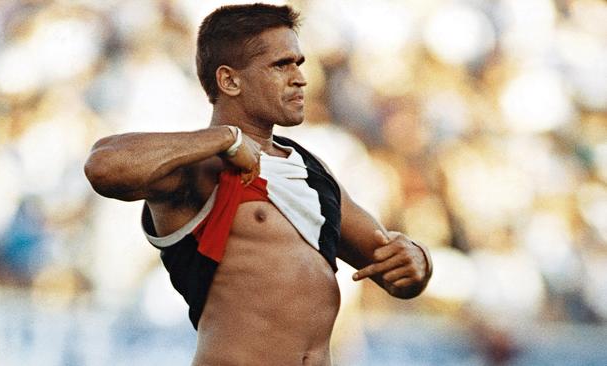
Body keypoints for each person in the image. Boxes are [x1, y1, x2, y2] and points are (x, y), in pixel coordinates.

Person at [84, 3, 432, 365]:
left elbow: (393, 269)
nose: (300, 78)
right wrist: (225, 139)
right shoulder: (200, 167)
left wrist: (419, 261)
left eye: (299, 63)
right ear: (229, 80)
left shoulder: (312, 171)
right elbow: (102, 165)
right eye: (281, 65)